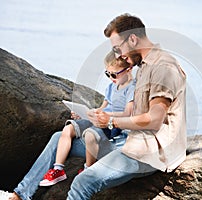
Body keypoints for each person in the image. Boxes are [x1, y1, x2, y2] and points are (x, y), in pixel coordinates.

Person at [3, 13, 186, 200]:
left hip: (150, 151)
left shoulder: (163, 67)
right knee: (60, 138)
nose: (118, 55)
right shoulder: (144, 66)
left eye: (118, 48)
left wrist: (112, 121)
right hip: (130, 140)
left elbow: (155, 120)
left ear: (132, 39)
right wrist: (98, 119)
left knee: (83, 182)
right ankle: (20, 195)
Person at [39, 50, 136, 186]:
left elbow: (127, 114)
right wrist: (88, 113)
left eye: (114, 74)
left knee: (90, 135)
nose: (111, 78)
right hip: (101, 117)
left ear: (129, 69)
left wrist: (107, 116)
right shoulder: (111, 87)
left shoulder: (132, 88)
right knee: (69, 129)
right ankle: (58, 170)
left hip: (113, 123)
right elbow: (102, 107)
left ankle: (88, 169)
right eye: (107, 74)